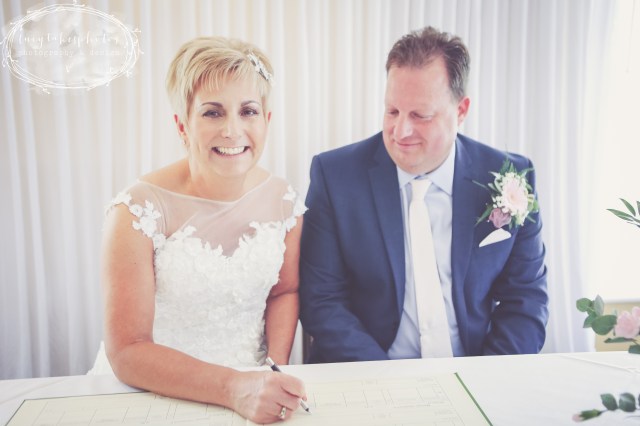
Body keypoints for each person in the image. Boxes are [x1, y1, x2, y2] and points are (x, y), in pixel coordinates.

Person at [90, 36, 307, 423]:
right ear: (182, 125)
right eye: (212, 113)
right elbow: (127, 350)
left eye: (248, 111)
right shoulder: (136, 211)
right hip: (152, 392)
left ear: (267, 120)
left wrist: (273, 368)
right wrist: (233, 388)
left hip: (253, 392)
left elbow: (284, 291)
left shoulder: (284, 201)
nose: (232, 130)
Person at [299, 26, 549, 363]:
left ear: (461, 110)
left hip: (477, 371)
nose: (401, 131)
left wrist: (487, 378)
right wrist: (387, 382)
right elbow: (322, 301)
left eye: (421, 115)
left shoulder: (512, 178)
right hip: (369, 373)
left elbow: (526, 299)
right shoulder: (336, 177)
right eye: (392, 111)